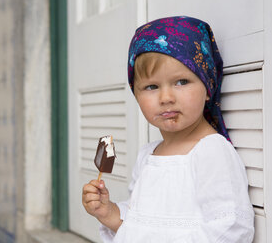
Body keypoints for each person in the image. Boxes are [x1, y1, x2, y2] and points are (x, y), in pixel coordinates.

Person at [82, 16, 255, 242]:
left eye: (181, 82)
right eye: (151, 87)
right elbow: (139, 223)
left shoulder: (211, 152)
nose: (166, 98)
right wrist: (109, 212)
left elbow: (232, 227)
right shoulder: (147, 155)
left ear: (208, 86)